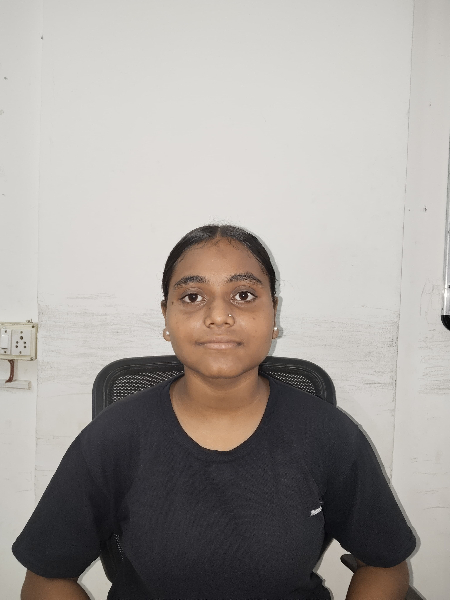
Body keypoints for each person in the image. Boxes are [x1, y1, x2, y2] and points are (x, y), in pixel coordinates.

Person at [13, 224, 415, 599]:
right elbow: (47, 576)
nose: (219, 315)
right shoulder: (113, 437)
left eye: (244, 295)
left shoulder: (328, 434)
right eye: (192, 297)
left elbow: (384, 563)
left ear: (274, 314)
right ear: (166, 316)